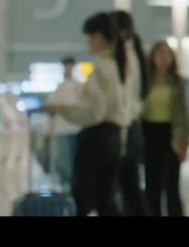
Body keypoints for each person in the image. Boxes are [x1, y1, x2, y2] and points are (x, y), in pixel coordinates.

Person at [44, 12, 127, 216]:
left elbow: (94, 112)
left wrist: (60, 109)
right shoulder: (117, 66)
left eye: (88, 39)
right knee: (105, 198)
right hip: (114, 136)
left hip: (98, 138)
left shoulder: (101, 68)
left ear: (98, 37)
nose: (87, 43)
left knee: (82, 195)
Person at [142, 41, 188, 217]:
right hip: (149, 131)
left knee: (171, 183)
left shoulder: (177, 82)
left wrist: (181, 139)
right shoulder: (146, 81)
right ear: (153, 57)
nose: (163, 58)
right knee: (151, 181)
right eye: (159, 53)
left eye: (167, 54)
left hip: (171, 132)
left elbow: (183, 112)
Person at [111, 10, 150, 216]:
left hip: (125, 128)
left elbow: (125, 100)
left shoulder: (126, 57)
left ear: (122, 31)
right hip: (132, 128)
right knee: (130, 187)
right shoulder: (134, 53)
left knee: (124, 188)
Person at [44, 57, 82, 191]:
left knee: (78, 160)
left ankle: (78, 186)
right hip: (62, 129)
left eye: (71, 66)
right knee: (65, 160)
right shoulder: (59, 88)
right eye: (66, 66)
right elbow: (48, 107)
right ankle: (66, 187)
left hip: (78, 128)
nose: (68, 68)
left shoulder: (80, 87)